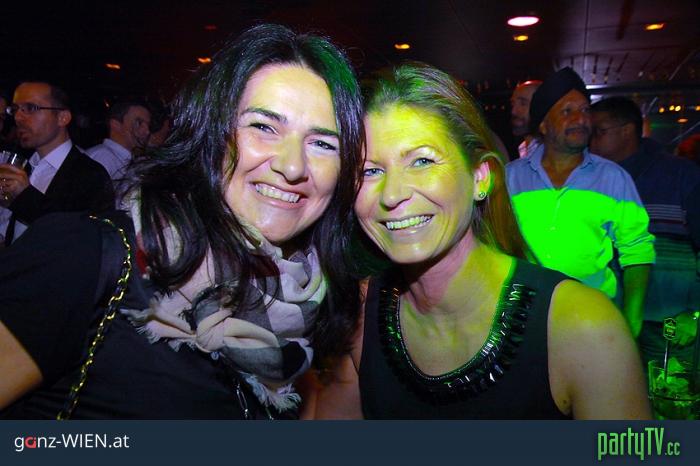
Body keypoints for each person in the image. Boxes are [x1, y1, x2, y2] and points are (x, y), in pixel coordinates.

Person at [0, 23, 363, 419]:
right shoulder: (86, 255)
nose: (293, 166)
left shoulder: (300, 316)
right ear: (211, 134)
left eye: (322, 143)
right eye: (263, 127)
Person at [304, 63, 650, 419]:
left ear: (480, 178)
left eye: (422, 161)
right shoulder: (360, 311)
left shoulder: (583, 327)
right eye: (370, 171)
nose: (392, 194)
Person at [505, 67, 655, 338]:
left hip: (590, 321)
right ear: (543, 125)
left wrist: (632, 319)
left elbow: (638, 250)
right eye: (567, 111)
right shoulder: (511, 178)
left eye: (585, 110)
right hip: (521, 321)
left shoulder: (613, 178)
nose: (581, 119)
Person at [590, 96, 700, 368]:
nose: (590, 141)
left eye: (599, 132)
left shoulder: (681, 174)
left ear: (627, 131)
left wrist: (695, 312)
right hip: (608, 317)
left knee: (667, 391)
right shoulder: (592, 182)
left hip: (671, 322)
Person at [0, 81, 114, 246]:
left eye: (30, 108)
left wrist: (24, 197)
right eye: (15, 109)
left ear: (63, 118)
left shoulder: (90, 175)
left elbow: (77, 238)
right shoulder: (24, 163)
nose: (18, 118)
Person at [86, 99, 152, 181]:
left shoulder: (128, 159)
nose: (147, 131)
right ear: (116, 125)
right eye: (139, 123)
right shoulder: (102, 157)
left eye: (148, 125)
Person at [510, 80, 541, 158]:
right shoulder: (522, 148)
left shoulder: (552, 154)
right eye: (512, 104)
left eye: (523, 104)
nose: (513, 111)